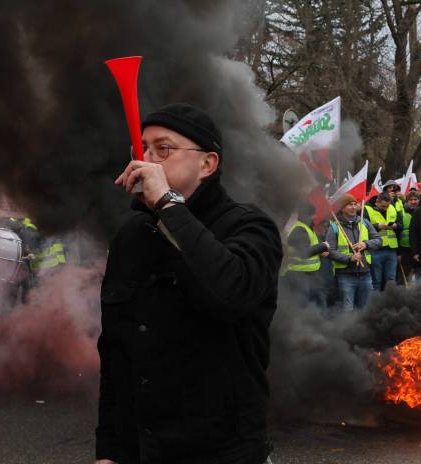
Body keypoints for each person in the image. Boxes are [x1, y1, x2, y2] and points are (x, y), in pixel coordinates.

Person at [98, 103, 283, 464]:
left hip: (223, 451)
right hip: (143, 450)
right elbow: (115, 351)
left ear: (207, 164)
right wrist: (108, 449)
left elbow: (229, 294)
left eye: (162, 149)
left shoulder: (250, 226)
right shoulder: (130, 235)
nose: (148, 161)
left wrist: (168, 205)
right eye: (142, 150)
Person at [326, 194, 381, 310]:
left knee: (365, 309)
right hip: (345, 276)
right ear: (342, 208)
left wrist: (366, 244)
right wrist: (349, 258)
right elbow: (330, 252)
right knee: (347, 310)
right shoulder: (334, 227)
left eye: (354, 204)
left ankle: (364, 329)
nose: (353, 207)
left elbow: (378, 240)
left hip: (366, 273)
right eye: (349, 205)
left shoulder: (364, 222)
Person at [282, 202, 330, 308]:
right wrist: (322, 245)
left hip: (308, 275)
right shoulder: (299, 229)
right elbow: (305, 252)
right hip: (299, 275)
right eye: (312, 214)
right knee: (301, 306)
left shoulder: (306, 227)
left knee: (314, 304)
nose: (314, 216)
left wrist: (320, 253)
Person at [364, 191, 400, 291]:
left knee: (391, 281)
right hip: (375, 250)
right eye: (383, 206)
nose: (386, 209)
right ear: (377, 202)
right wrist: (378, 227)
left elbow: (400, 223)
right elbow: (363, 228)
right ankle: (376, 304)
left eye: (387, 206)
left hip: (391, 249)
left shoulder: (392, 208)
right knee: (376, 281)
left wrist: (396, 226)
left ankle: (390, 303)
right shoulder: (366, 209)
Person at [397, 191, 419, 286]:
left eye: (415, 199)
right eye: (411, 200)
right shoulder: (401, 214)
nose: (413, 202)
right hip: (405, 250)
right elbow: (396, 234)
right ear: (407, 201)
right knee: (405, 276)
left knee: (420, 275)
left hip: (419, 249)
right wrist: (399, 252)